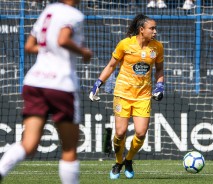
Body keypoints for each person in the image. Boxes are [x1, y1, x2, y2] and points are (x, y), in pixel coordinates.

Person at [0, 0, 92, 183]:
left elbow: (29, 46)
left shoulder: (48, 11)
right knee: (69, 149)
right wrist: (83, 52)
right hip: (60, 84)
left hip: (35, 82)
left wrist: (50, 50)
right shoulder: (74, 15)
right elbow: (63, 40)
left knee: (29, 144)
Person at [89, 14, 164, 179]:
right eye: (152, 28)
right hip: (123, 93)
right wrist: (97, 85)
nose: (155, 31)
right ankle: (118, 162)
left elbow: (159, 69)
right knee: (121, 132)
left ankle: (128, 160)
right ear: (141, 30)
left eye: (155, 28)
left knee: (141, 132)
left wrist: (160, 86)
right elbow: (111, 66)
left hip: (143, 95)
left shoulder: (157, 47)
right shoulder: (125, 44)